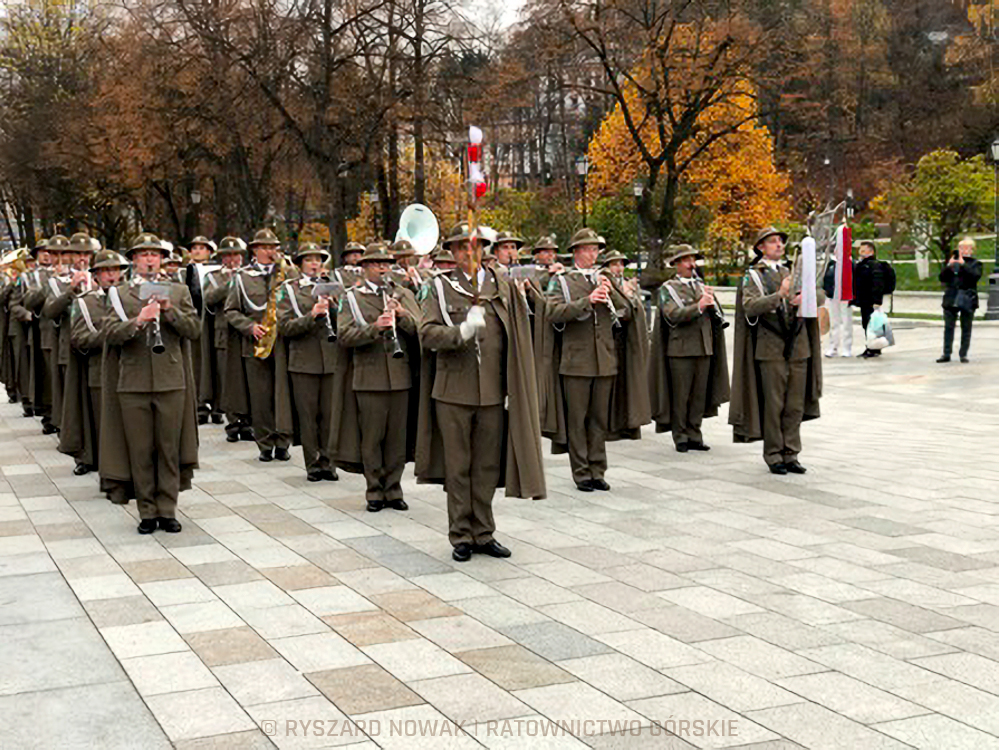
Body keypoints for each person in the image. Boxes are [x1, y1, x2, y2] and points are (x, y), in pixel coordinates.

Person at [417, 223, 545, 562]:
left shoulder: (500, 285)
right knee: (458, 466)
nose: (468, 253)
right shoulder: (439, 288)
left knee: (487, 467)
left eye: (475, 247)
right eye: (461, 248)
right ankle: (461, 534)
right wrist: (460, 331)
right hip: (453, 391)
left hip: (492, 391)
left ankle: (484, 532)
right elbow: (426, 333)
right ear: (453, 252)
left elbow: (519, 329)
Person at [102, 233, 200, 533]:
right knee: (141, 449)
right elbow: (110, 333)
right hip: (133, 382)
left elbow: (194, 330)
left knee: (168, 448)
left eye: (154, 254)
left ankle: (168, 509)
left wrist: (169, 309)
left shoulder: (179, 290)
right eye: (143, 254)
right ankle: (147, 511)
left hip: (171, 380)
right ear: (133, 259)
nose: (149, 259)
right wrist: (139, 321)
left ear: (162, 259)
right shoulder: (119, 294)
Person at [539, 228, 634, 492]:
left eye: (596, 249)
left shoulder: (604, 279)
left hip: (604, 360)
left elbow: (625, 314)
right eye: (590, 249)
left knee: (598, 420)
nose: (594, 254)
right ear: (577, 252)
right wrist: (587, 301)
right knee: (577, 420)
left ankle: (598, 470)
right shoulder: (563, 281)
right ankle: (581, 473)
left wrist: (614, 294)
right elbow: (552, 312)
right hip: (576, 362)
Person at [729, 227, 822, 475]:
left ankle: (791, 453)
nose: (779, 245)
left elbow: (821, 294)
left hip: (798, 346)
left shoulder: (795, 270)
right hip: (770, 346)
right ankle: (773, 454)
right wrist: (779, 295)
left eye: (780, 241)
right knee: (774, 405)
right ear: (761, 247)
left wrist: (808, 297)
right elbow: (749, 306)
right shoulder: (753, 276)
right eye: (772, 241)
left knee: (794, 405)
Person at [337, 242, 421, 510]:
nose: (383, 268)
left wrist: (402, 316)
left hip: (400, 376)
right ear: (364, 267)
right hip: (369, 377)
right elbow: (344, 336)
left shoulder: (402, 294)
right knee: (372, 438)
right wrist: (375, 328)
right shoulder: (351, 297)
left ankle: (394, 489)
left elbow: (421, 330)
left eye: (386, 264)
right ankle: (374, 490)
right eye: (376, 264)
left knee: (397, 439)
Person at [649, 245, 730, 452]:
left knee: (698, 396)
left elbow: (714, 318)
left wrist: (712, 305)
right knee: (681, 395)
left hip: (704, 347)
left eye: (692, 259)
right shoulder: (668, 289)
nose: (690, 264)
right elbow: (672, 315)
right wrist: (699, 306)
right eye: (685, 260)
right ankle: (680, 435)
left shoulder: (700, 286)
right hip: (681, 350)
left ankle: (695, 433)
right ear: (676, 264)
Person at [225, 228, 292, 462]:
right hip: (255, 344)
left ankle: (283, 442)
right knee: (261, 398)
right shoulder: (242, 276)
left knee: (282, 395)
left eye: (273, 247)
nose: (270, 251)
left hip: (283, 343)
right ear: (255, 250)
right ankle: (265, 443)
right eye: (265, 247)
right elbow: (231, 310)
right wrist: (249, 327)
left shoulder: (286, 272)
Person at [276, 242, 341, 482]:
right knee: (308, 415)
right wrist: (311, 316)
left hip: (330, 359)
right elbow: (284, 327)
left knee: (329, 415)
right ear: (300, 263)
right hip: (303, 360)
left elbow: (344, 320)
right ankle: (313, 463)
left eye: (318, 259)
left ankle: (329, 461)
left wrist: (333, 307)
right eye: (309, 259)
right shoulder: (289, 290)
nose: (315, 264)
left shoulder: (332, 286)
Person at [63, 249, 130, 481]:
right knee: (104, 427)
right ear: (96, 275)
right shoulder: (85, 303)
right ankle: (108, 471)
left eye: (116, 270)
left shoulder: (131, 298)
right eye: (106, 271)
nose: (112, 275)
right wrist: (111, 335)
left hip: (130, 370)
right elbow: (78, 338)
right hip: (99, 372)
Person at [201, 237, 252, 443]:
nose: (233, 259)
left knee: (248, 378)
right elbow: (209, 298)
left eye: (236, 254)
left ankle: (248, 422)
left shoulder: (250, 275)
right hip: (223, 333)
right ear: (222, 257)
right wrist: (231, 282)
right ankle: (232, 423)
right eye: (228, 255)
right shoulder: (213, 277)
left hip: (245, 332)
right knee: (228, 379)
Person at [184, 235, 218, 423]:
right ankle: (199, 405)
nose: (198, 251)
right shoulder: (185, 272)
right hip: (194, 318)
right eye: (194, 248)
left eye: (202, 248)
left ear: (209, 252)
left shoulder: (217, 270)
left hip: (213, 320)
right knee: (196, 362)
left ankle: (217, 406)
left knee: (214, 362)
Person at [937, 236, 983, 363]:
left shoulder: (975, 264)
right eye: (961, 248)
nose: (964, 250)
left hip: (968, 298)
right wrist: (949, 266)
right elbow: (942, 278)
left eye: (967, 248)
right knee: (948, 327)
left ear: (972, 250)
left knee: (966, 327)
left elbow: (974, 277)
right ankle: (946, 353)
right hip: (951, 297)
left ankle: (963, 353)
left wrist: (963, 265)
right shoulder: (953, 263)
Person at [853, 240, 895, 359]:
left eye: (863, 250)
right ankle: (872, 347)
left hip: (870, 300)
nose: (860, 252)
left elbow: (877, 284)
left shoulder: (873, 265)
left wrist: (877, 301)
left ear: (871, 251)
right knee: (867, 324)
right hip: (864, 300)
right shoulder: (862, 265)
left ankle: (873, 348)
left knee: (871, 325)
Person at [822, 253, 854, 358]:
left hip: (846, 297)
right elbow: (826, 279)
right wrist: (828, 291)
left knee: (846, 322)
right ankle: (833, 346)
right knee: (833, 322)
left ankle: (846, 347)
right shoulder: (831, 264)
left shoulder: (850, 263)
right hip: (833, 296)